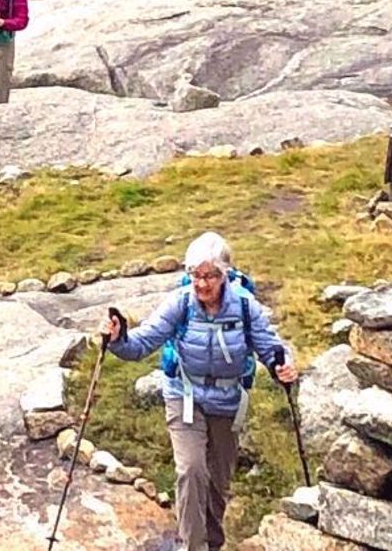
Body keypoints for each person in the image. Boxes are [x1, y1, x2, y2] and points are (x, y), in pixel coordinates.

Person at [100, 232, 299, 551]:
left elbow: (271, 348)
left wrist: (284, 366)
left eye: (210, 275)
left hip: (229, 400)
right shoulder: (180, 303)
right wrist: (118, 338)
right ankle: (192, 546)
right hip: (184, 395)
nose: (202, 283)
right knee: (191, 470)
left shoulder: (245, 307)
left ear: (225, 275)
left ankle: (213, 543)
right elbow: (141, 344)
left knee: (218, 483)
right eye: (196, 275)